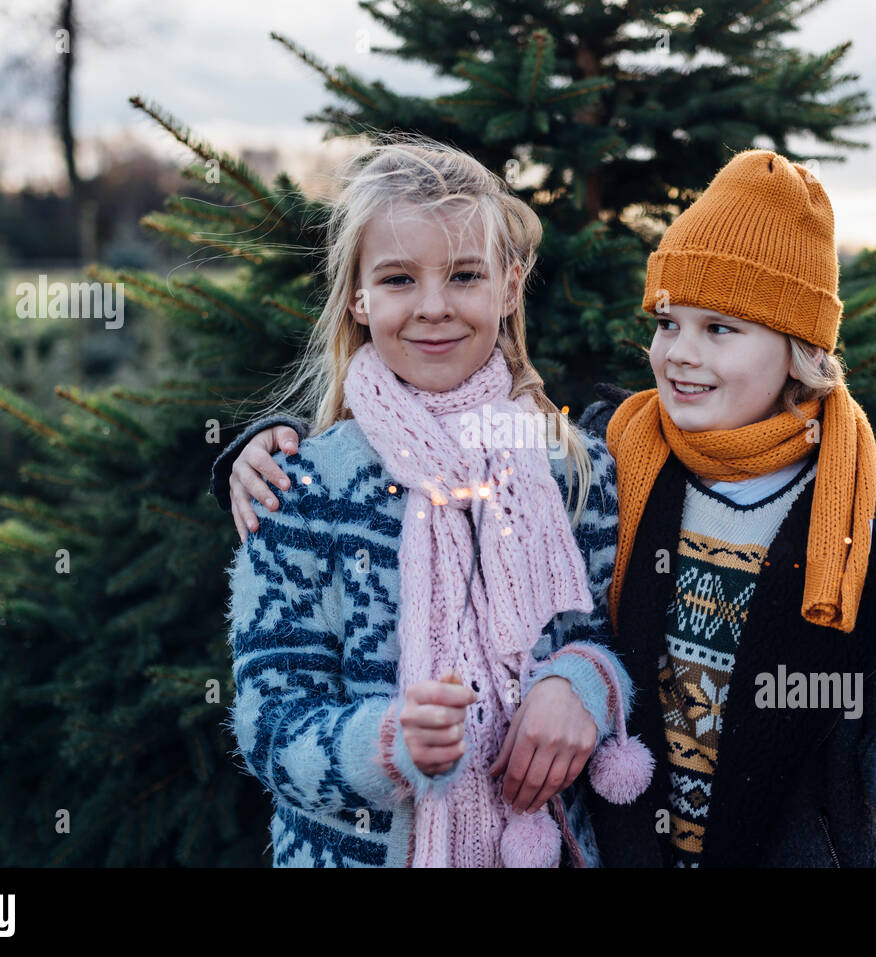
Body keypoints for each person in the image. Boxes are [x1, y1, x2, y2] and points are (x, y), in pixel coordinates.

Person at [218, 148, 876, 867]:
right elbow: (271, 714)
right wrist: (257, 445)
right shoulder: (614, 458)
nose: (681, 353)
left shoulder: (590, 467)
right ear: (355, 297)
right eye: (667, 324)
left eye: (719, 329)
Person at [223, 133, 650, 868]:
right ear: (357, 298)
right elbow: (269, 728)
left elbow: (622, 636)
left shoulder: (575, 468)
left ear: (509, 287)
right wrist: (385, 744)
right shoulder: (302, 489)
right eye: (397, 279)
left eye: (463, 275)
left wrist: (584, 682)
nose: (432, 307)